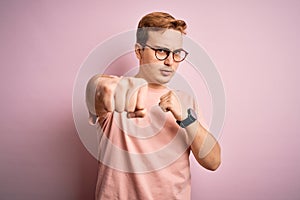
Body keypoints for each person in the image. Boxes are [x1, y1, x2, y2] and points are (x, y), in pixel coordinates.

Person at [86, 11, 221, 200]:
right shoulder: (118, 91)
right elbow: (98, 91)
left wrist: (186, 118)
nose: (170, 62)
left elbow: (213, 161)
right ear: (139, 51)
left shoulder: (186, 101)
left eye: (176, 54)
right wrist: (98, 85)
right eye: (162, 51)